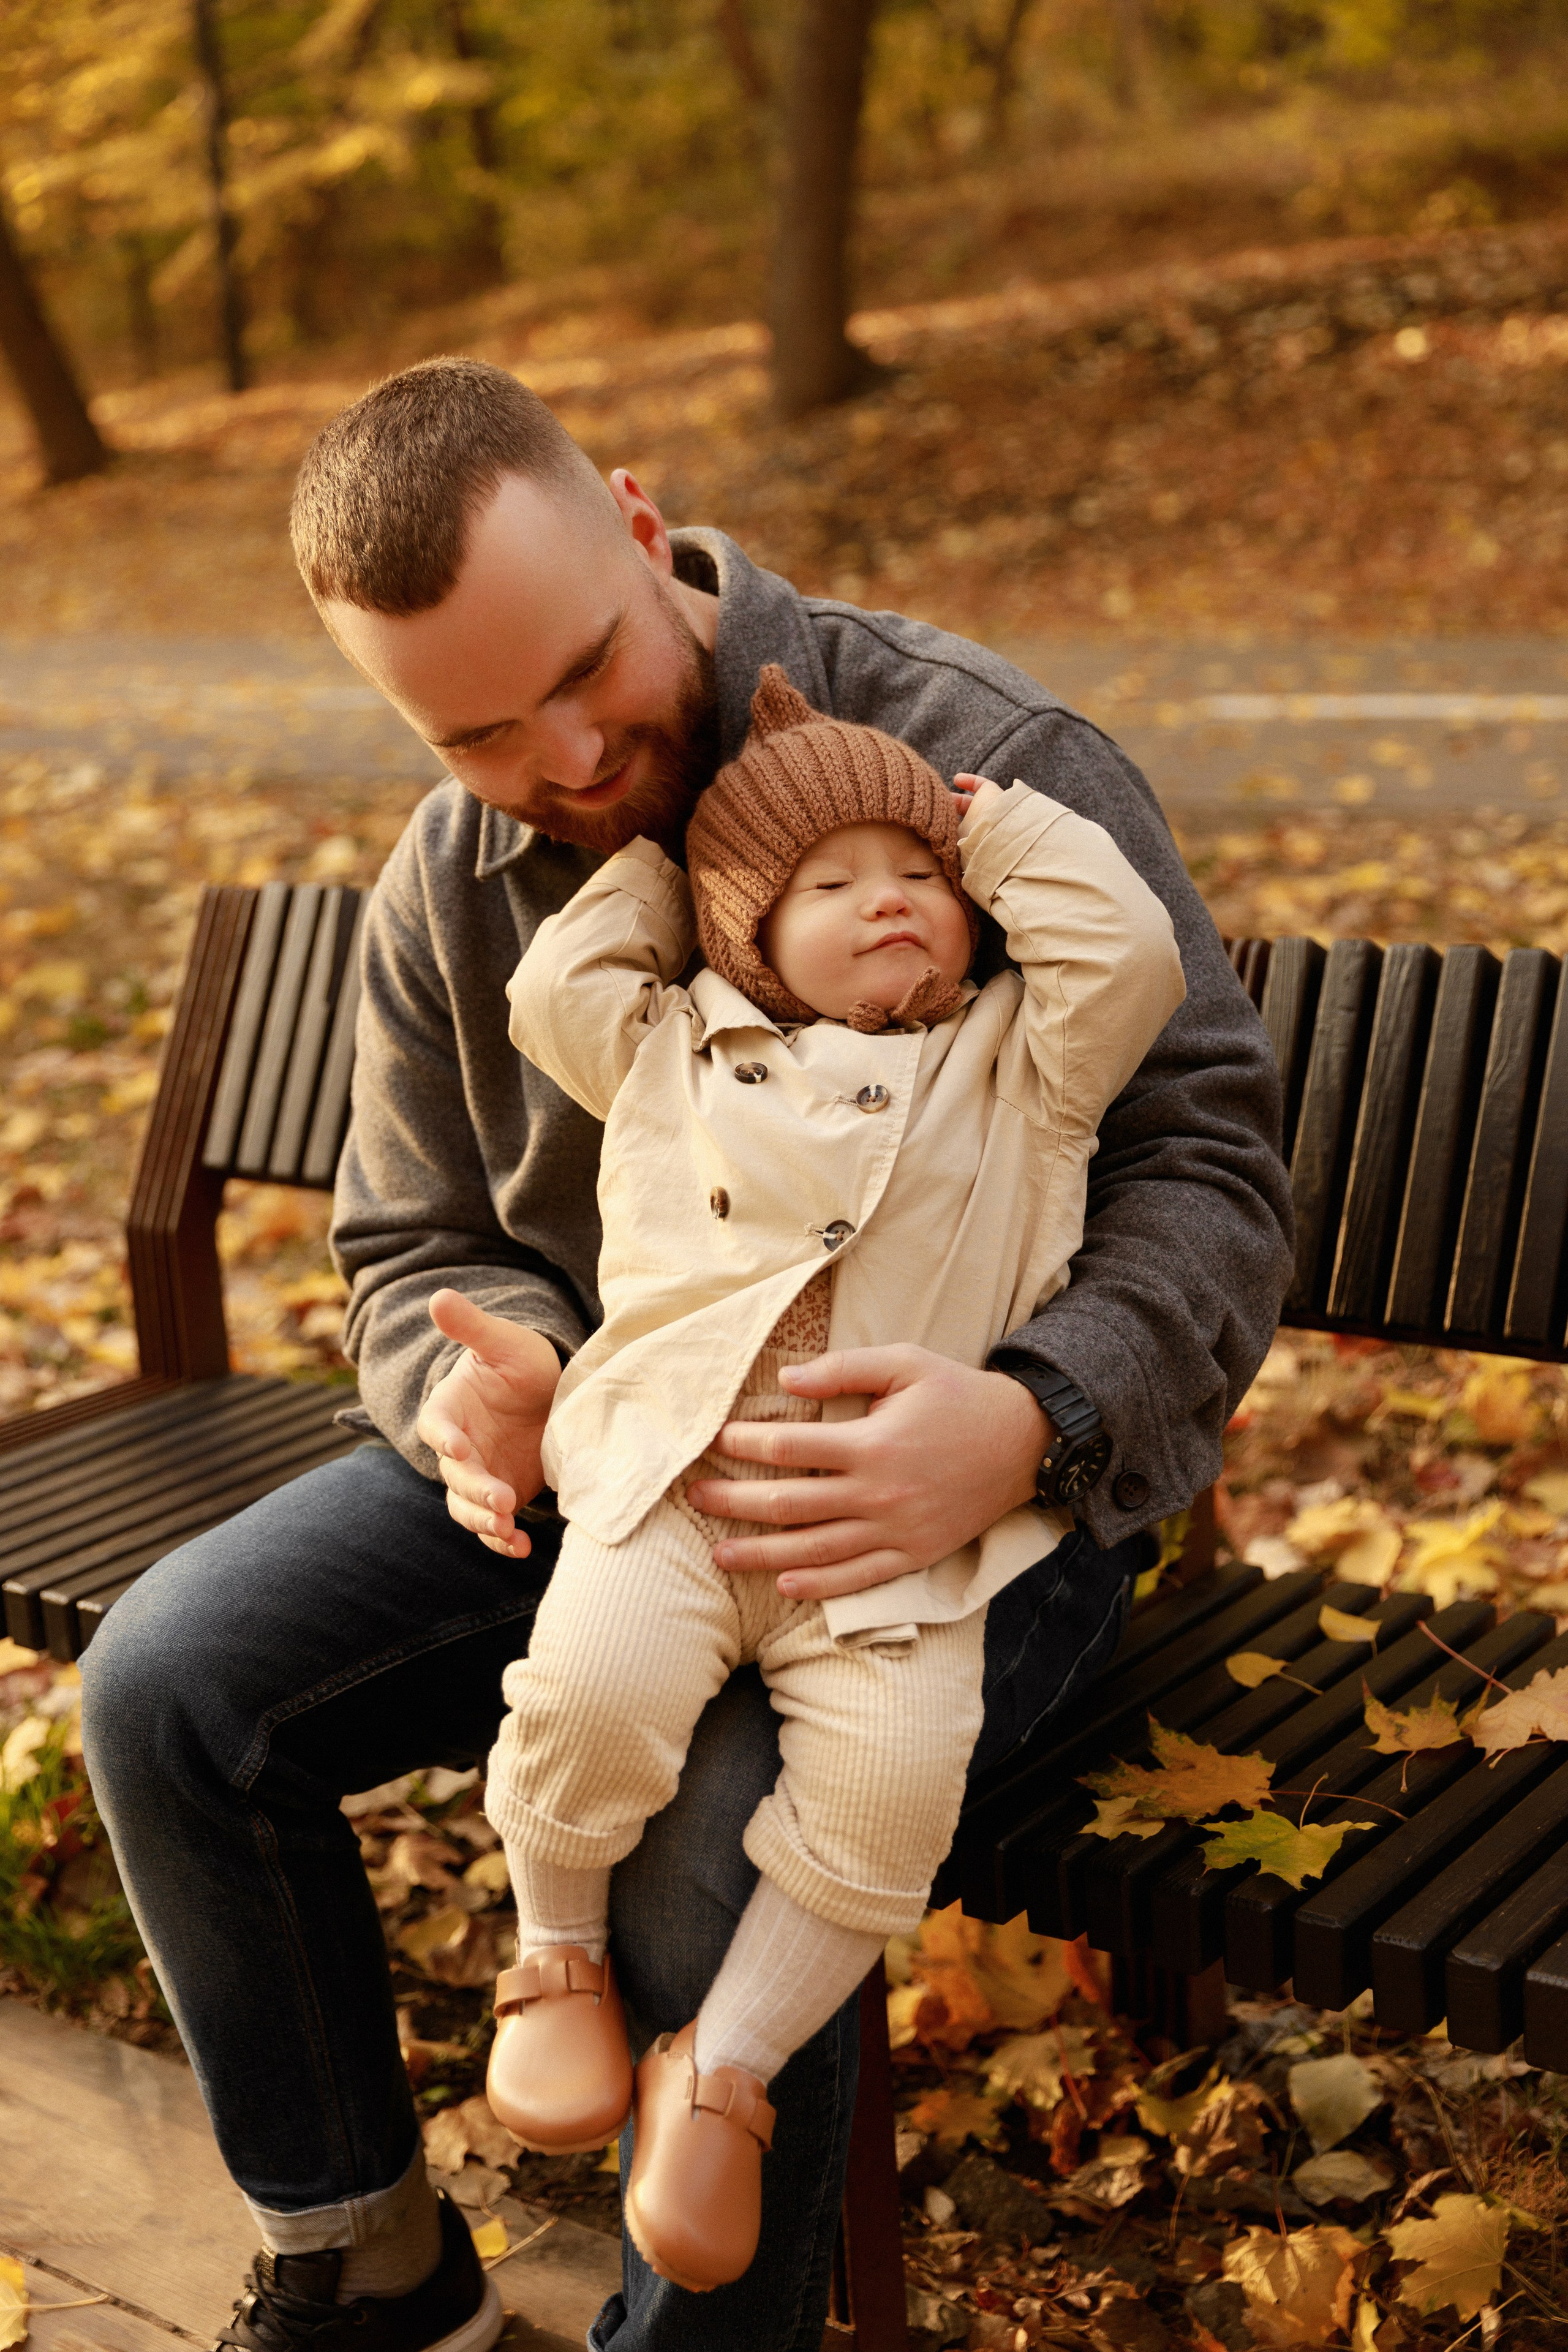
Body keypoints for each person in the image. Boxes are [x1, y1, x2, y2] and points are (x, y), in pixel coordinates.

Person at [78, 356, 1293, 2352]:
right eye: (478, 730)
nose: (563, 757)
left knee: (707, 1858)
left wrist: (1036, 1415)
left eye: (585, 669)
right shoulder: (450, 882)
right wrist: (481, 1382)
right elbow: (409, 1243)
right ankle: (368, 2267)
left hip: (964, 1483)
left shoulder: (976, 757)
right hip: (621, 1449)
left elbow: (1215, 1168)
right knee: (168, 1687)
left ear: (642, 528)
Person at [481, 663, 1187, 2291]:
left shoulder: (1025, 1069)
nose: (893, 900)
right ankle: (558, 1953)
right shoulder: (672, 1045)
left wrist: (981, 823)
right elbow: (554, 982)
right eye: (831, 882)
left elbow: (1126, 949)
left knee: (887, 1795)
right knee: (590, 1693)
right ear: (745, 930)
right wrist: (694, 854)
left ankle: (721, 2072)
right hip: (677, 1483)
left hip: (894, 1533)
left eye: (920, 879)